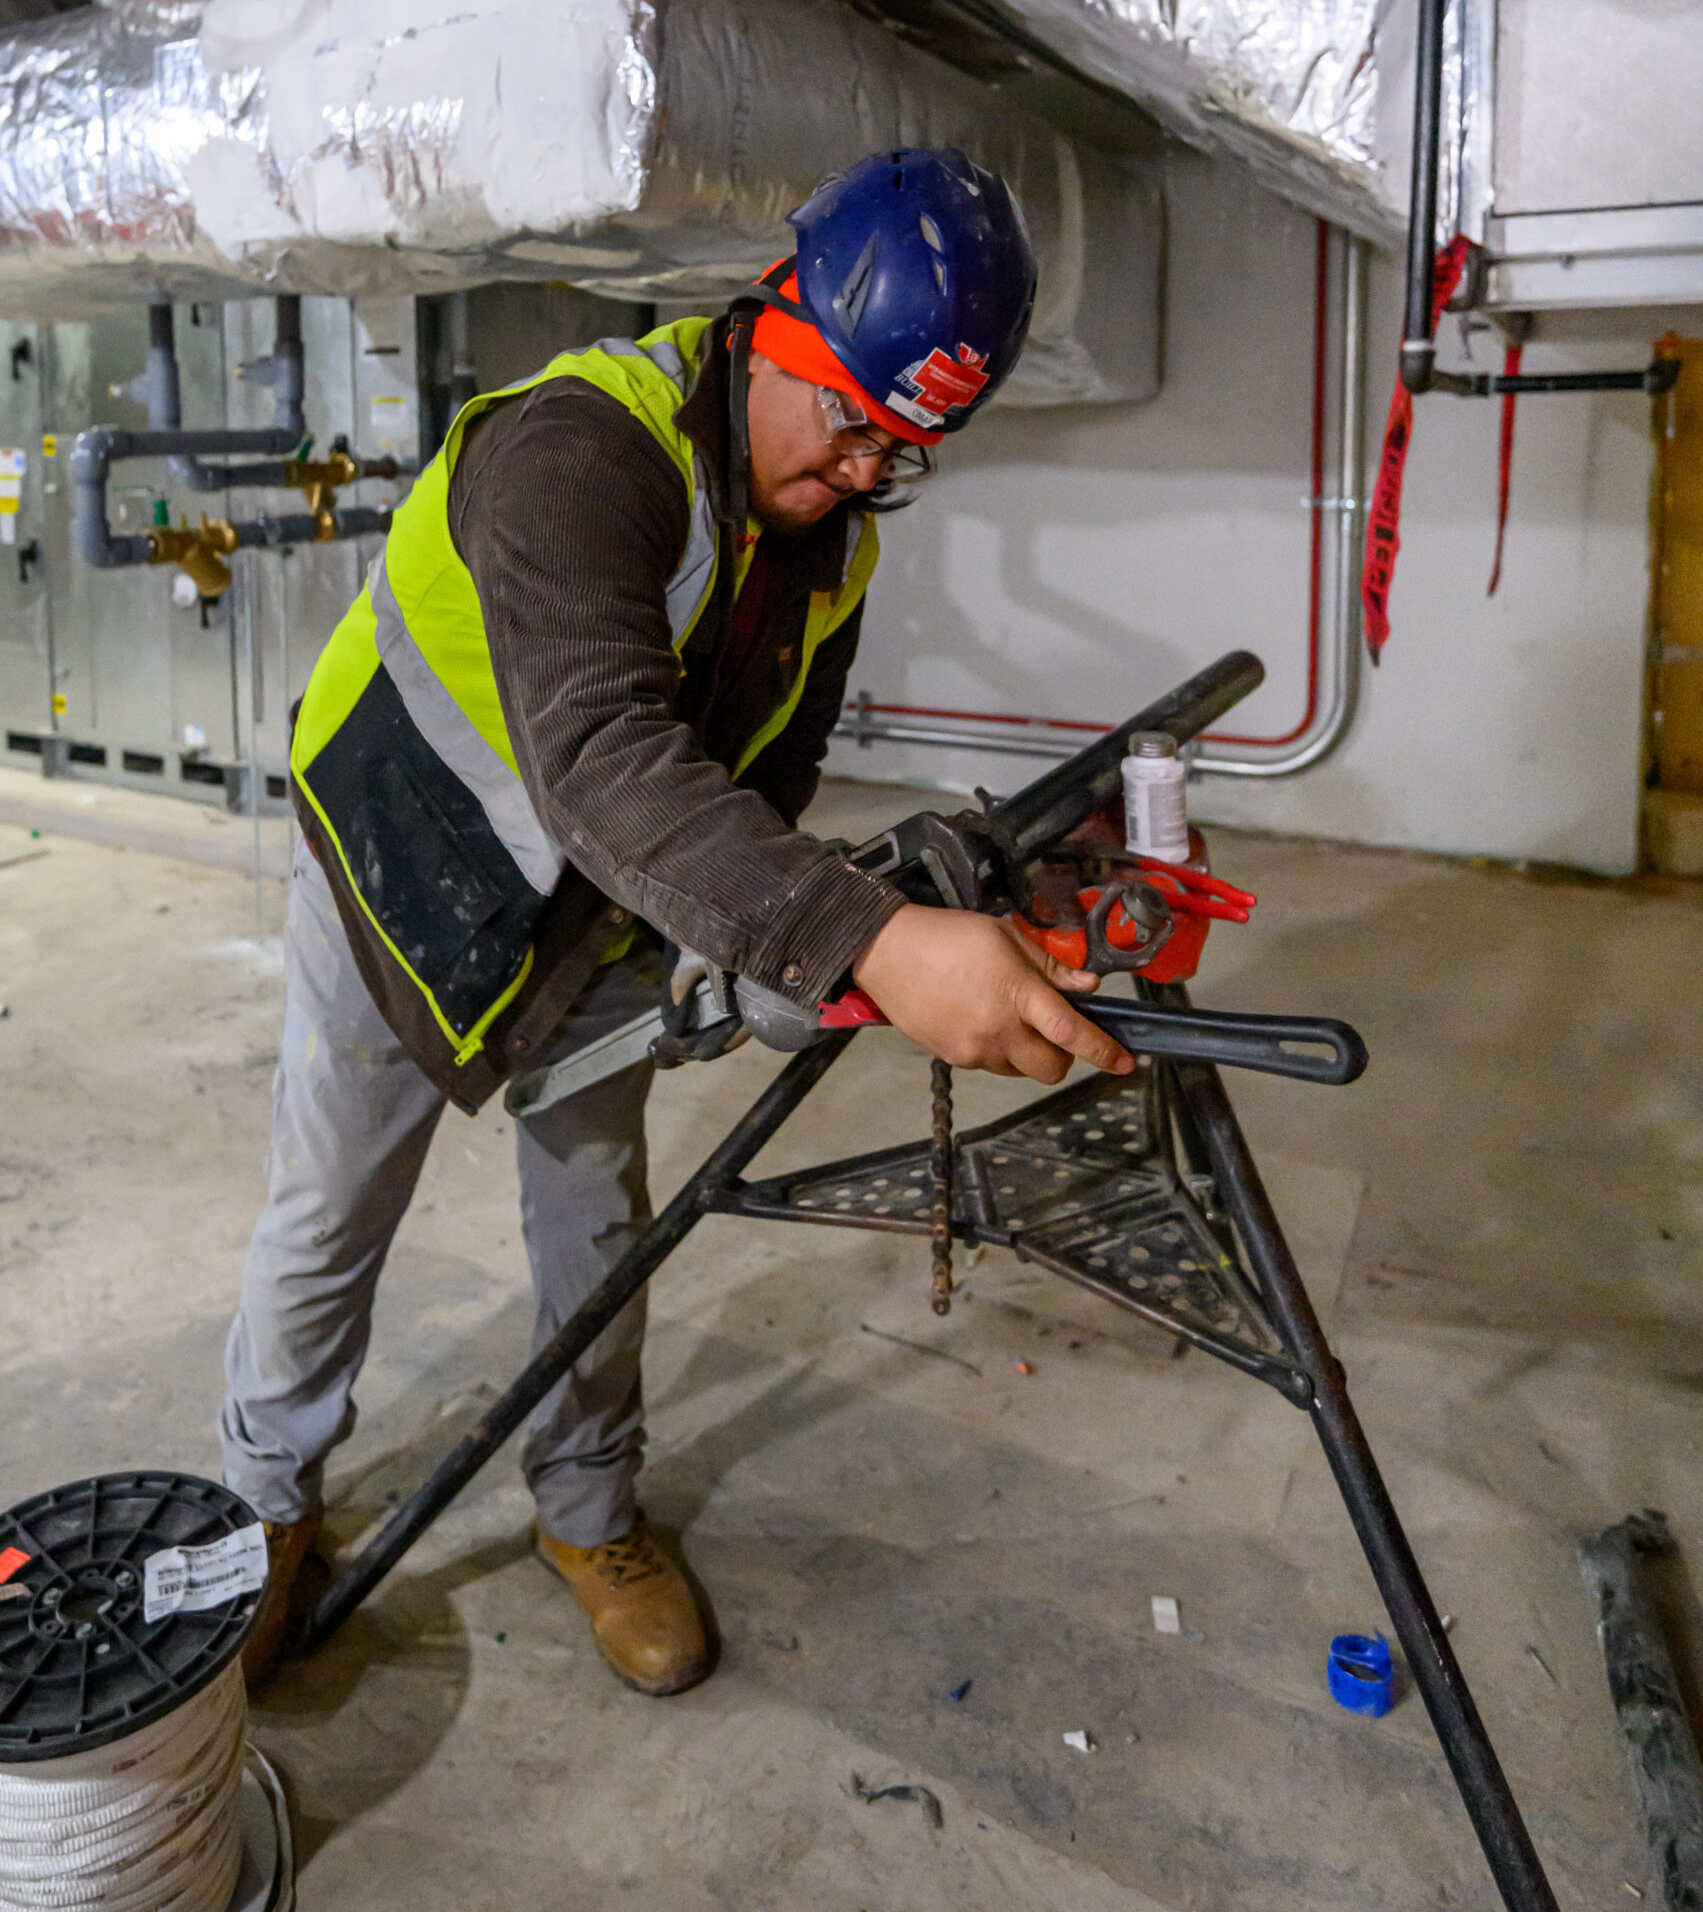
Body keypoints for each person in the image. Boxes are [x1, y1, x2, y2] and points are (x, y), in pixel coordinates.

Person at [221, 146, 1134, 1696]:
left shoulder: (834, 538)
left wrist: (770, 931)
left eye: (902, 450)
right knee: (333, 1206)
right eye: (851, 420)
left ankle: (587, 1509)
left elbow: (767, 768)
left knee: (597, 1213)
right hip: (404, 863)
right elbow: (600, 759)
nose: (864, 471)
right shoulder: (581, 452)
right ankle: (260, 1508)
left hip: (598, 899)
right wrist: (859, 939)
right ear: (778, 320)